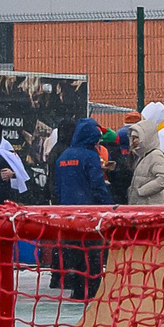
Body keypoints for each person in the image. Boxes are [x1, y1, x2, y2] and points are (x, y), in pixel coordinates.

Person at [48, 119, 111, 299]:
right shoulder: (90, 156)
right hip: (89, 213)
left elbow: (58, 186)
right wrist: (108, 206)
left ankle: (76, 289)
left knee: (74, 252)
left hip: (68, 213)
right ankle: (90, 291)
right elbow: (97, 185)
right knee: (92, 255)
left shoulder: (64, 156)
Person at [127, 104, 164, 205]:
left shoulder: (155, 155)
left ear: (145, 137)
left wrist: (142, 191)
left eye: (136, 137)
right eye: (132, 138)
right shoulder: (142, 156)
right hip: (142, 204)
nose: (133, 141)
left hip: (150, 204)